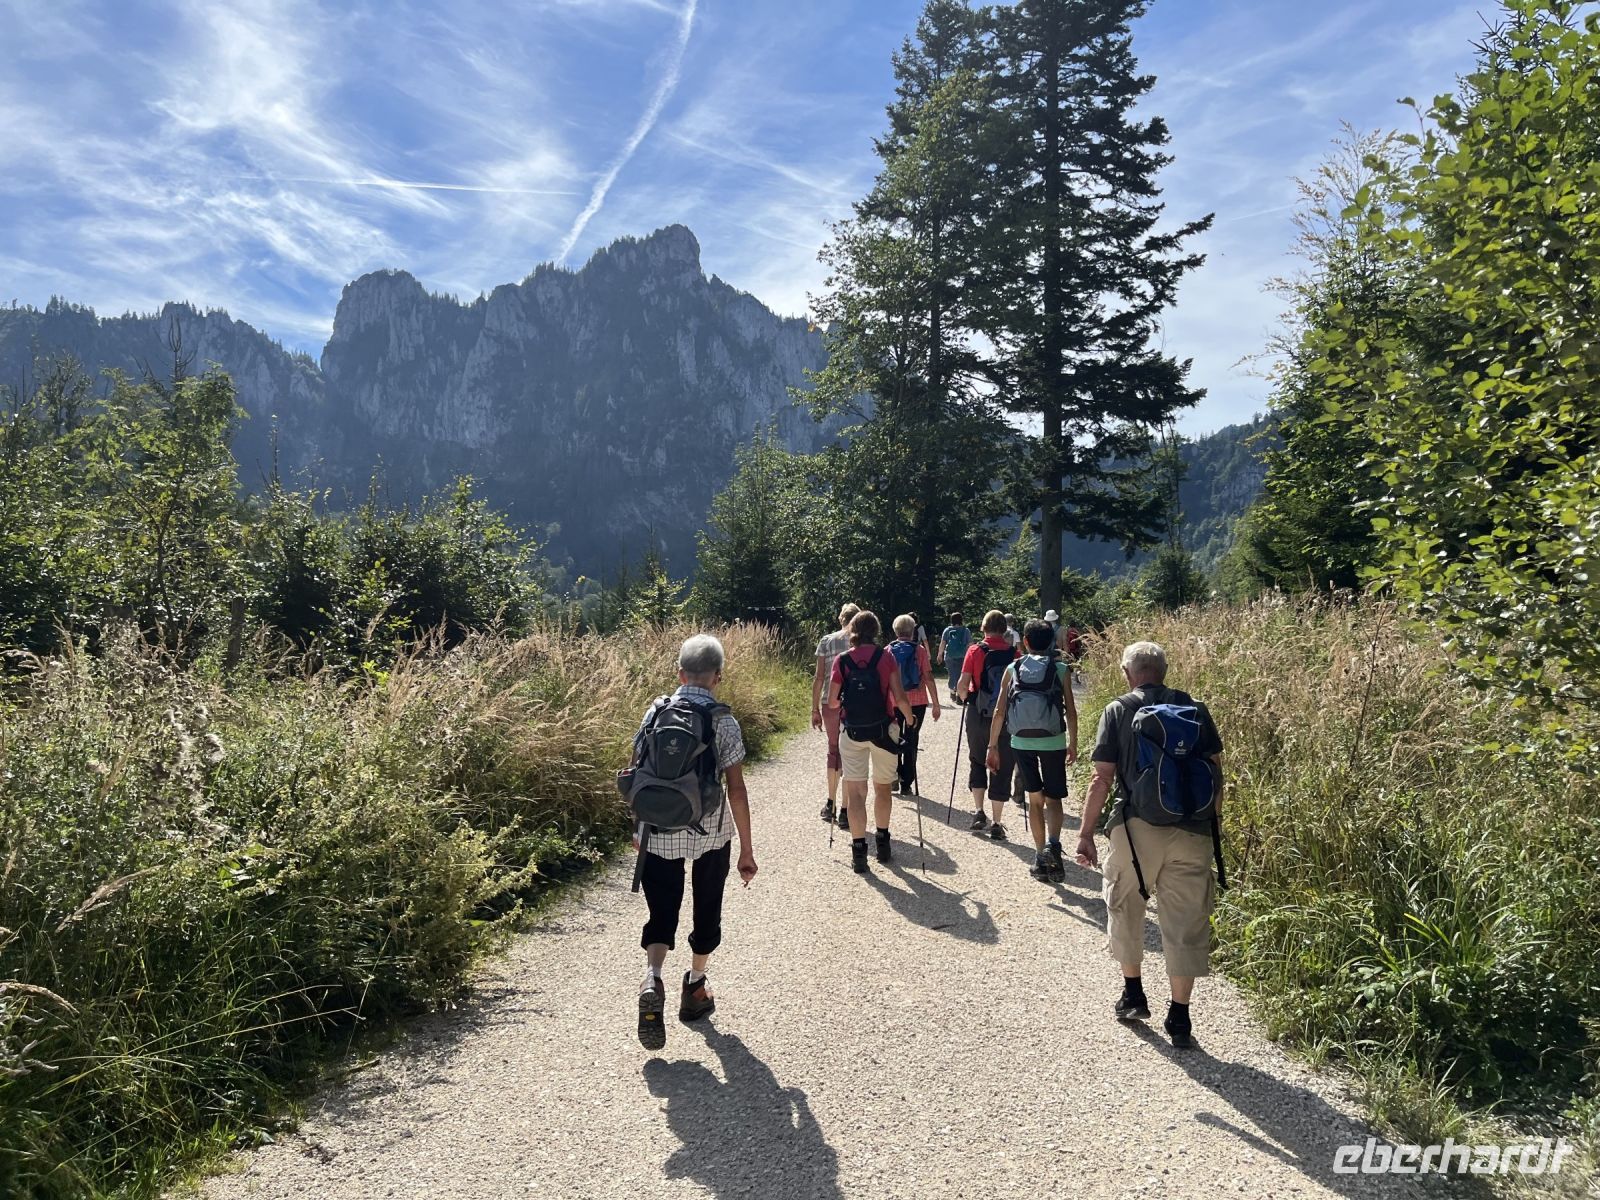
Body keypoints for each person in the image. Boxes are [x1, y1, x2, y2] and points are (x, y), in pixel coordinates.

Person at [1075, 641, 1224, 1050]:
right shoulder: (1196, 709)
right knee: (1186, 919)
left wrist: (1086, 833)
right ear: (1164, 670)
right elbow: (1213, 772)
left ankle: (1134, 993)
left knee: (1126, 905)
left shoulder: (1118, 710)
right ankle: (1180, 1016)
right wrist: (1209, 823)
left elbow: (1101, 779)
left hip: (1136, 828)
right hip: (1193, 829)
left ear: (1128, 673)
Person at [635, 634, 757, 1049]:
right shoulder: (723, 720)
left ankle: (653, 979)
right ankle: (696, 987)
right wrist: (746, 849)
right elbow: (736, 790)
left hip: (658, 831)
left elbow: (639, 775)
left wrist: (638, 830)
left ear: (680, 673)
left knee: (661, 910)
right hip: (710, 834)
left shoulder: (655, 712)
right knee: (707, 909)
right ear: (718, 677)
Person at [987, 619, 1077, 881]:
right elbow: (1070, 710)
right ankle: (1055, 846)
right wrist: (1073, 743)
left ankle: (1040, 857)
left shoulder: (1012, 668)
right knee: (1054, 797)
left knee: (1035, 800)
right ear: (1051, 643)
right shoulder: (1061, 670)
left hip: (1021, 742)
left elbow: (1000, 711)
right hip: (1053, 741)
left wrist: (993, 745)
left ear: (1024, 642)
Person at [829, 610, 917, 873]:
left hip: (853, 731)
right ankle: (883, 841)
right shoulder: (886, 657)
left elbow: (833, 701)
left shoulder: (842, 660)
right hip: (883, 731)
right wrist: (910, 719)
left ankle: (858, 851)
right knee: (882, 789)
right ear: (876, 630)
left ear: (852, 630)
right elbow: (900, 697)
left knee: (856, 792)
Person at [956, 609, 1018, 839]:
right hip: (1006, 716)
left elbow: (963, 685)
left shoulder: (975, 650)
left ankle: (979, 811)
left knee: (977, 759)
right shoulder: (1015, 653)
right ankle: (997, 822)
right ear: (1004, 630)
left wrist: (965, 697)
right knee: (1003, 764)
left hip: (978, 713)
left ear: (983, 628)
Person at [813, 603, 860, 828]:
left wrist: (814, 709)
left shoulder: (826, 641)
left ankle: (830, 802)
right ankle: (845, 809)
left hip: (828, 702)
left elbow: (819, 677)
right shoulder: (860, 642)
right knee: (850, 754)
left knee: (834, 751)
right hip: (853, 703)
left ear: (841, 619)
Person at [888, 613, 940, 794]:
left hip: (894, 701)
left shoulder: (888, 650)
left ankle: (894, 774)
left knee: (892, 737)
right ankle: (907, 782)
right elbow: (928, 676)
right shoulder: (919, 650)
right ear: (912, 631)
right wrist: (936, 703)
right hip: (917, 702)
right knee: (911, 738)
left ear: (895, 631)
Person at [937, 610, 972, 703]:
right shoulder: (966, 630)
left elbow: (943, 643)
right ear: (961, 620)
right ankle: (959, 696)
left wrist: (940, 654)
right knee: (961, 674)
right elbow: (970, 644)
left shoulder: (947, 630)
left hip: (949, 656)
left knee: (952, 674)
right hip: (963, 656)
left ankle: (952, 691)